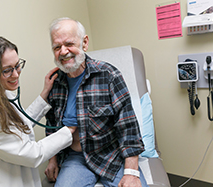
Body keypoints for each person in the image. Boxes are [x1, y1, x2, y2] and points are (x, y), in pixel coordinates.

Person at [44, 17, 149, 187]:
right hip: (76, 159)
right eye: (57, 47)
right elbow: (51, 126)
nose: (63, 52)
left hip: (111, 155)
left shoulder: (109, 75)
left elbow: (128, 127)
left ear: (84, 43)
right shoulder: (55, 83)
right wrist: (52, 161)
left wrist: (131, 172)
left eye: (69, 44)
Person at [0, 35, 77, 187]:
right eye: (7, 70)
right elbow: (32, 154)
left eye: (17, 65)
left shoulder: (1, 91)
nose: (16, 75)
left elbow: (19, 124)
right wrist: (69, 130)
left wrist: (44, 95)